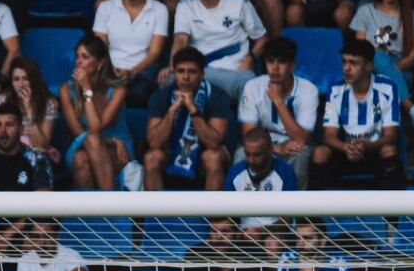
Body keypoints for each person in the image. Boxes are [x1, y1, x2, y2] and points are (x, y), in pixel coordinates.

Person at [169, 0, 267, 100]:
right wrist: (173, 66)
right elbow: (180, 41)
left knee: (249, 84)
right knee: (168, 81)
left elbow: (262, 39)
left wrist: (251, 59)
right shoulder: (185, 5)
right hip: (199, 71)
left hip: (235, 71)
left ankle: (247, 124)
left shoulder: (239, 3)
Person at [312, 38, 403, 190]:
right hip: (345, 152)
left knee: (389, 150)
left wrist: (368, 146)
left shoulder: (387, 88)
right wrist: (346, 147)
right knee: (320, 152)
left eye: (353, 63)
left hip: (374, 150)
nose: (346, 68)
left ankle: (392, 213)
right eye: (344, 62)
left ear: (369, 66)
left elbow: (390, 136)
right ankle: (315, 213)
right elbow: (329, 135)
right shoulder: (335, 89)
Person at [144, 47, 231, 191]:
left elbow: (214, 143)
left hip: (207, 150)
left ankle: (212, 213)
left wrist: (193, 109)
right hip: (171, 149)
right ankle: (156, 213)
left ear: (202, 74)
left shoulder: (217, 95)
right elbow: (154, 142)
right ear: (174, 73)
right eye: (180, 71)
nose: (185, 77)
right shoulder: (161, 96)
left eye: (192, 72)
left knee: (213, 158)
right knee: (151, 158)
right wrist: (172, 110)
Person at [239, 35, 318, 188]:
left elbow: (301, 138)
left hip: (294, 143)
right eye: (270, 62)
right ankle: (244, 208)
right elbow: (248, 133)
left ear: (292, 66)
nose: (275, 68)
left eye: (281, 62)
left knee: (300, 154)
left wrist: (278, 101)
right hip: (263, 145)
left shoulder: (308, 90)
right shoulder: (252, 86)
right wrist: (275, 149)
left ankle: (296, 210)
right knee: (242, 154)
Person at [92, 0, 167, 108]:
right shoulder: (105, 8)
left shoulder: (159, 10)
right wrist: (111, 72)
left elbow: (154, 53)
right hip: (109, 70)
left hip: (142, 73)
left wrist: (132, 73)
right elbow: (100, 47)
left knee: (138, 93)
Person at [58, 34, 131, 192]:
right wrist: (112, 141)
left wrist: (86, 90)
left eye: (85, 57)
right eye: (77, 56)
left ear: (100, 63)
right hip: (86, 144)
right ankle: (108, 208)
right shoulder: (66, 89)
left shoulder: (118, 89)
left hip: (120, 149)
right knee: (83, 152)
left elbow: (97, 127)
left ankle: (95, 213)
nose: (79, 61)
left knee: (82, 159)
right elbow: (79, 133)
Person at [351, 0, 414, 95]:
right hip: (369, 66)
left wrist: (388, 69)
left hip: (398, 64)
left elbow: (413, 56)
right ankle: (411, 108)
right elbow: (360, 50)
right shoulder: (365, 11)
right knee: (378, 57)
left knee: (381, 60)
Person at [0, 57, 56, 157]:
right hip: (6, 152)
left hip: (33, 155)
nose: (21, 85)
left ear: (34, 80)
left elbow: (41, 146)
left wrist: (29, 110)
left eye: (25, 79)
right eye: (16, 79)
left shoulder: (48, 103)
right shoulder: (2, 100)